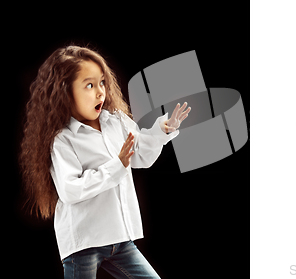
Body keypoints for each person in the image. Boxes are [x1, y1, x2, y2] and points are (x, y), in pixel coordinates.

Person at [19, 46, 191, 278]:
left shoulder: (115, 122)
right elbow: (70, 190)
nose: (101, 92)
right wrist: (117, 166)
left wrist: (162, 131)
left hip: (119, 240)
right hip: (84, 244)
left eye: (102, 82)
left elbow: (140, 156)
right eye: (89, 85)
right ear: (65, 91)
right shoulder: (63, 140)